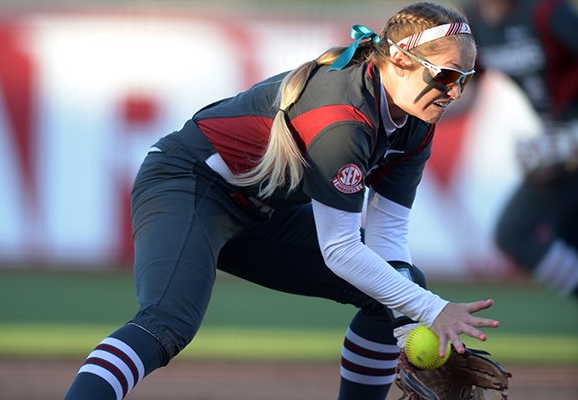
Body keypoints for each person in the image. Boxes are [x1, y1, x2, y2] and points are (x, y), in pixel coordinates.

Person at [63, 3, 500, 399]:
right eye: (445, 75)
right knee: (167, 323)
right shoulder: (343, 119)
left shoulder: (416, 120)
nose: (454, 92)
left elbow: (388, 234)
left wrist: (407, 320)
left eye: (465, 78)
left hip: (262, 211)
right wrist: (430, 309)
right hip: (191, 185)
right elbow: (341, 250)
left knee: (399, 289)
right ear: (401, 61)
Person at [465, 0, 578, 297]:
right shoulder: (474, 20)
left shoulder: (546, 10)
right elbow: (468, 93)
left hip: (570, 136)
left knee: (515, 230)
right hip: (557, 140)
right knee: (563, 234)